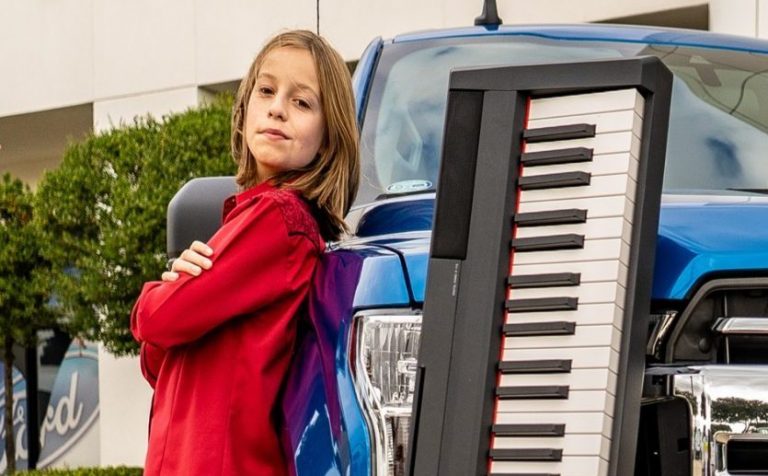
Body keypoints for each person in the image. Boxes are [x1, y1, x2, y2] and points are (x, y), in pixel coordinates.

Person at [130, 29, 360, 476]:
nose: (278, 107)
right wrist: (176, 292)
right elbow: (160, 364)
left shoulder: (275, 218)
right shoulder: (252, 221)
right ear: (243, 109)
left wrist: (155, 296)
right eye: (268, 90)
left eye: (302, 102)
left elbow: (156, 320)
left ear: (329, 138)